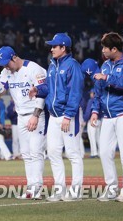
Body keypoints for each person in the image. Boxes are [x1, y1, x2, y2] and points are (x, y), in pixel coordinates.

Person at [31, 33, 84, 201]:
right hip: (53, 116)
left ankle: (76, 191)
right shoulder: (52, 65)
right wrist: (38, 90)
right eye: (52, 46)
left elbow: (75, 92)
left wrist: (69, 115)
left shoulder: (72, 65)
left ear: (64, 48)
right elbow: (50, 89)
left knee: (73, 154)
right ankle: (59, 190)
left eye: (55, 46)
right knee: (53, 153)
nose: (52, 48)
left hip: (68, 115)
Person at [0, 46, 48, 199]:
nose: (5, 66)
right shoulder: (7, 71)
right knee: (26, 154)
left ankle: (38, 188)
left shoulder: (33, 68)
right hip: (21, 116)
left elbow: (43, 91)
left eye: (7, 63)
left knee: (36, 152)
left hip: (36, 113)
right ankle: (31, 188)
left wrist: (36, 114)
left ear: (14, 57)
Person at [90, 32, 123, 202]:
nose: (103, 50)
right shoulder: (105, 64)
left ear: (114, 49)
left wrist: (107, 77)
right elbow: (98, 90)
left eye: (106, 47)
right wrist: (94, 110)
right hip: (107, 116)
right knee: (104, 152)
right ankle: (111, 188)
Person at [80, 59, 101, 159]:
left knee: (92, 137)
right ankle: (99, 153)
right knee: (98, 137)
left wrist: (84, 119)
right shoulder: (100, 97)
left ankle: (94, 153)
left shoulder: (92, 100)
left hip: (93, 119)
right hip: (101, 118)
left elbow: (88, 110)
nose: (91, 94)